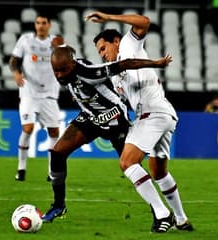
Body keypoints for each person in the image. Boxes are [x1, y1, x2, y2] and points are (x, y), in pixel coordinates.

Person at [42, 46, 173, 231]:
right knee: (57, 154)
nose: (59, 74)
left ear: (72, 63)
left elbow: (125, 64)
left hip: (115, 119)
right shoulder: (67, 73)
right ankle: (58, 206)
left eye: (63, 69)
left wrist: (156, 63)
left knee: (131, 166)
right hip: (91, 117)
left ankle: (160, 214)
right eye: (56, 70)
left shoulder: (88, 72)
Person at [86, 11, 193, 232]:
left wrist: (108, 17)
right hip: (162, 115)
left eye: (103, 49)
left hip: (153, 114)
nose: (103, 55)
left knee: (127, 162)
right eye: (99, 52)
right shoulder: (115, 74)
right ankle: (181, 219)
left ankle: (162, 215)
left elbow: (144, 22)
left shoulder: (127, 45)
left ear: (115, 41)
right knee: (158, 172)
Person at [9, 13, 64, 181]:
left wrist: (62, 47)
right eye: (38, 23)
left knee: (54, 132)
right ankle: (21, 169)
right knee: (28, 128)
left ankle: (51, 171)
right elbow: (13, 60)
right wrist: (16, 73)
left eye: (44, 23)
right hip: (29, 93)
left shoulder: (56, 42)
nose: (40, 26)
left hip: (49, 94)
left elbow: (69, 59)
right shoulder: (25, 40)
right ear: (35, 25)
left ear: (49, 25)